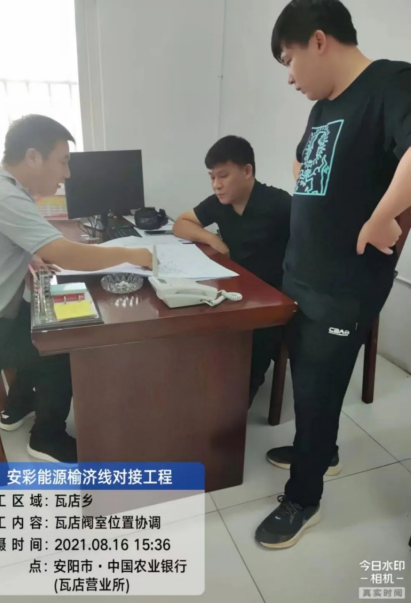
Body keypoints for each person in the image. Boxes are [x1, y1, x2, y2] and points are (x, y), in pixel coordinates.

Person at [255, 0, 411, 549]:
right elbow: (304, 161)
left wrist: (385, 213)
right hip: (303, 271)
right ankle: (321, 451)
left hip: (346, 281)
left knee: (319, 387)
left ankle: (304, 497)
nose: (289, 77)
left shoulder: (391, 83)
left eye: (289, 60)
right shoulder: (324, 106)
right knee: (308, 376)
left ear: (318, 41)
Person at [0, 115, 152, 464]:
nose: (67, 174)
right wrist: (131, 254)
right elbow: (65, 253)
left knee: (37, 319)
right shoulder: (2, 195)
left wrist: (31, 257)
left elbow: (9, 244)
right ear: (33, 157)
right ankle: (47, 438)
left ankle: (17, 406)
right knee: (60, 340)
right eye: (63, 161)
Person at [173, 136, 291, 404]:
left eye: (223, 176)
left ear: (247, 171)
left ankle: (237, 402)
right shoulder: (220, 202)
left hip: (269, 297)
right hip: (233, 288)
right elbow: (181, 223)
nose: (217, 184)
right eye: (212, 177)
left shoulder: (278, 203)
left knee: (252, 348)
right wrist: (212, 238)